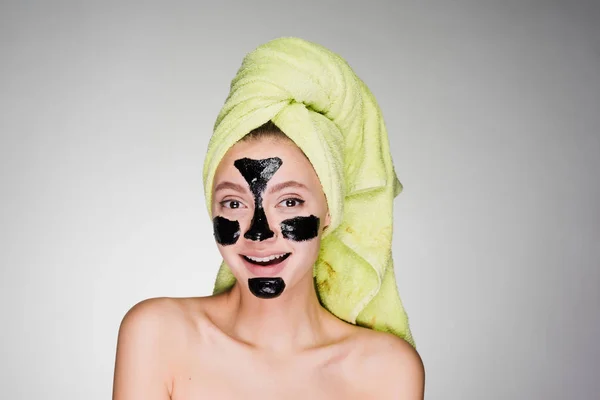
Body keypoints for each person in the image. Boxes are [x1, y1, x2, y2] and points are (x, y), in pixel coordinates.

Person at [113, 38, 424, 400]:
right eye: (233, 203)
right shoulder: (157, 335)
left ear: (329, 211)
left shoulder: (385, 369)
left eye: (289, 201)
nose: (258, 233)